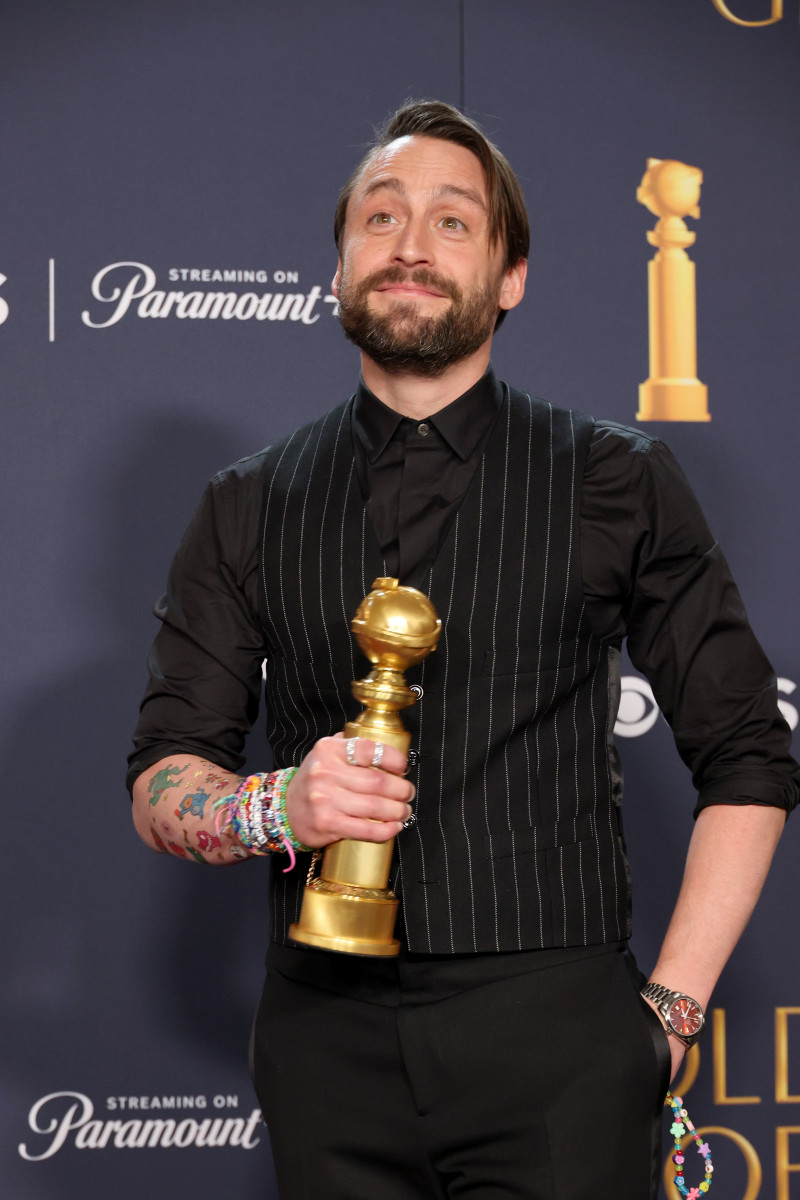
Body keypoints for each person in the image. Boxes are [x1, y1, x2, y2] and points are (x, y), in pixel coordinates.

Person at [128, 100, 798, 1200]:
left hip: (559, 1041)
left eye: (451, 222)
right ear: (339, 267)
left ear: (509, 274)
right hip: (320, 1047)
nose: (407, 244)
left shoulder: (613, 479)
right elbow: (162, 774)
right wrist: (275, 809)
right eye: (378, 217)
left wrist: (669, 1011)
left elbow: (746, 756)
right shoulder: (244, 504)